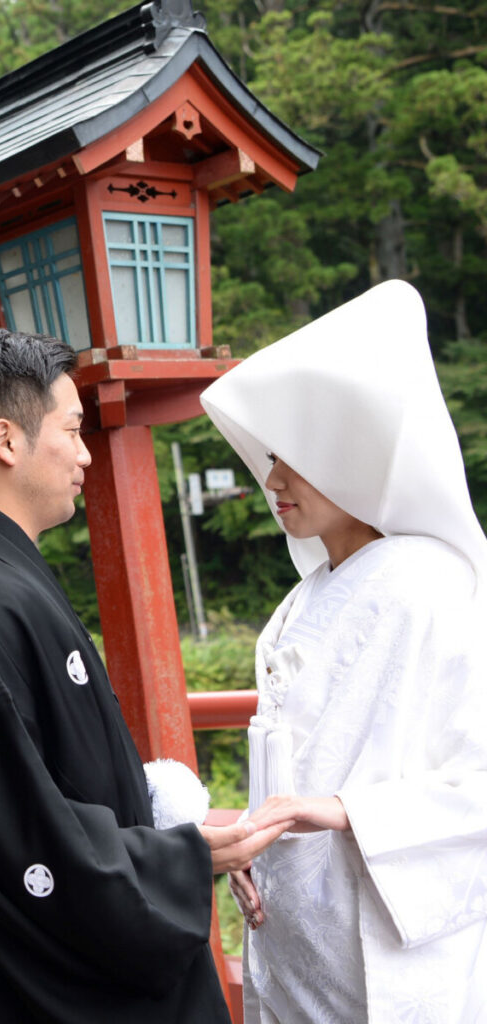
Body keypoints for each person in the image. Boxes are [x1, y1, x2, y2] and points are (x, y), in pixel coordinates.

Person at [0, 326, 293, 1024]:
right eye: (73, 430)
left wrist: (157, 815)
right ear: (7, 441)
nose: (85, 454)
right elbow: (16, 837)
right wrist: (177, 856)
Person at [200, 280, 487, 1024]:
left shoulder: (434, 586)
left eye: (294, 458)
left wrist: (347, 809)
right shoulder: (298, 603)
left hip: (385, 942)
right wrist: (251, 847)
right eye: (270, 458)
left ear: (354, 455)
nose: (272, 482)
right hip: (294, 935)